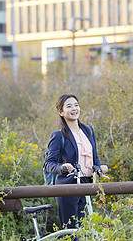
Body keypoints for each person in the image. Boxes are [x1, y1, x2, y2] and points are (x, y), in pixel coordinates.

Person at [44, 94, 108, 229]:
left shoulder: (88, 130)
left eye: (76, 105)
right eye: (69, 106)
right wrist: (62, 167)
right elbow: (48, 164)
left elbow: (94, 158)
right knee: (70, 231)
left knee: (85, 228)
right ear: (61, 112)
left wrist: (101, 166)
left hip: (87, 184)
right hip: (67, 186)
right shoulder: (58, 136)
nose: (74, 109)